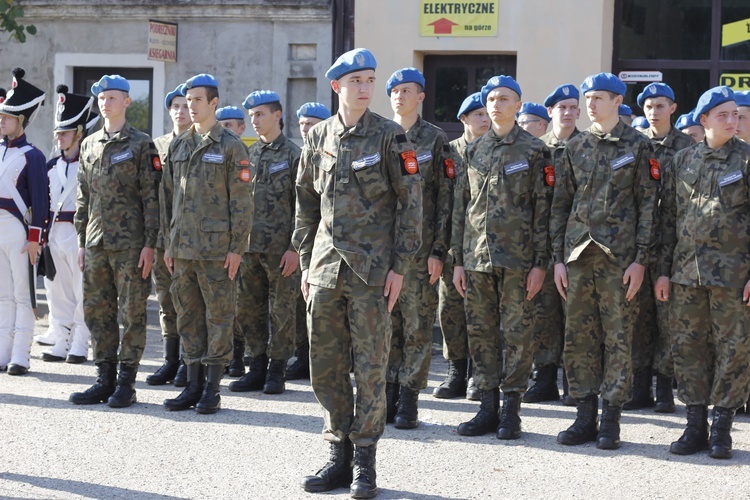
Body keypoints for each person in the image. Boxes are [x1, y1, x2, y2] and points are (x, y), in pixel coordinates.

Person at [295, 48, 422, 498]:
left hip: (372, 272)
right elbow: (306, 205)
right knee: (325, 366)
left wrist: (400, 268)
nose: (366, 88)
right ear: (337, 87)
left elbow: (411, 206)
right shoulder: (319, 137)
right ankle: (337, 456)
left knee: (370, 367)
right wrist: (307, 264)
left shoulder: (390, 137)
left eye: (371, 80)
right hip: (327, 269)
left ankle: (365, 463)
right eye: (357, 81)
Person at [550, 73, 659, 450]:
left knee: (618, 337)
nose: (591, 104)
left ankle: (611, 418)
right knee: (578, 337)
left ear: (617, 101)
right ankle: (584, 415)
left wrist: (641, 259)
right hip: (578, 256)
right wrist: (558, 259)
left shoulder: (639, 146)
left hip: (620, 258)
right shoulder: (575, 146)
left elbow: (648, 206)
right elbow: (560, 205)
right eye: (588, 98)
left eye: (598, 98)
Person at [451, 75, 553, 440]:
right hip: (476, 259)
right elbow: (460, 208)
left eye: (504, 98)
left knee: (518, 334)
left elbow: (545, 210)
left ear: (518, 104)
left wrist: (540, 263)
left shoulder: (535, 150)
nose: (496, 104)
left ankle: (512, 410)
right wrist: (458, 260)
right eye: (491, 98)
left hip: (519, 260)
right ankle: (487, 407)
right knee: (481, 335)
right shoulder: (472, 150)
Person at [655, 86, 750, 459]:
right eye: (723, 115)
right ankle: (695, 425)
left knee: (734, 349)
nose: (732, 120)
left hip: (733, 277)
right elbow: (667, 221)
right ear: (704, 120)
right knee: (687, 348)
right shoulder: (682, 161)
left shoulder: (746, 159)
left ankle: (722, 428)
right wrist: (663, 272)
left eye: (736, 115)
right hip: (685, 275)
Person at [160, 73, 253, 414]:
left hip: (216, 251)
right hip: (182, 249)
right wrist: (168, 244)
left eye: (197, 100)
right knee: (187, 316)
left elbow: (242, 202)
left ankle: (212, 389)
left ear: (214, 102)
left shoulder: (231, 146)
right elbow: (167, 199)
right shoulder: (179, 144)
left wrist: (236, 249)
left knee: (218, 317)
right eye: (187, 101)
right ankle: (193, 384)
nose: (190, 107)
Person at [70, 75, 160, 407]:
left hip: (131, 245)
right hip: (96, 242)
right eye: (102, 98)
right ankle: (103, 378)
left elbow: (152, 197)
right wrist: (81, 241)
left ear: (127, 102)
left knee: (132, 313)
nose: (106, 104)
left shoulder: (141, 144)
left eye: (112, 98)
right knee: (97, 312)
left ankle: (126, 383)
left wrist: (151, 243)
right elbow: (84, 197)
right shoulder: (89, 144)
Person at [383, 67, 451, 429]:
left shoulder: (435, 139)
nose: (399, 96)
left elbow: (444, 199)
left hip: (421, 251)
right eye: (394, 90)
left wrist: (439, 250)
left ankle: (409, 398)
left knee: (418, 327)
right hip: (383, 251)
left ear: (421, 96)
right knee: (386, 327)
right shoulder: (380, 135)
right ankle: (389, 394)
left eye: (407, 90)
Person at [627, 82, 695, 413]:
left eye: (660, 105)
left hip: (673, 244)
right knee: (638, 317)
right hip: (638, 245)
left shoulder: (687, 147)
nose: (654, 112)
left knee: (669, 318)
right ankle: (640, 386)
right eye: (649, 106)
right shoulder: (635, 146)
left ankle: (665, 387)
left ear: (673, 108)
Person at [228, 90, 301, 395]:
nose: (254, 121)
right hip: (249, 248)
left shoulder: (294, 155)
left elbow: (305, 205)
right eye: (252, 116)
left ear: (277, 116)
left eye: (260, 114)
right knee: (249, 309)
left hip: (281, 249)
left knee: (282, 312)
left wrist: (295, 248)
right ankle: (255, 366)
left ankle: (277, 370)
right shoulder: (249, 154)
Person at [524, 83, 581, 406]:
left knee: (574, 314)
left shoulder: (586, 146)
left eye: (574, 107)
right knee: (543, 314)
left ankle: (574, 382)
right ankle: (544, 379)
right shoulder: (536, 149)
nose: (569, 113)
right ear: (550, 112)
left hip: (574, 245)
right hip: (540, 243)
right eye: (563, 107)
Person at [433, 92, 489, 401]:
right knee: (450, 310)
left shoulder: (494, 149)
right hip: (450, 244)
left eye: (486, 113)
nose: (484, 118)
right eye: (477, 114)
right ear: (463, 119)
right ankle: (456, 370)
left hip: (482, 245)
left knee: (480, 313)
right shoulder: (448, 153)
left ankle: (478, 375)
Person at [39, 85, 97, 365]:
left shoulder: (89, 164)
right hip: (54, 232)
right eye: (57, 133)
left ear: (80, 133)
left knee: (81, 287)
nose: (59, 137)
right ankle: (60, 338)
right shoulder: (50, 166)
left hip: (78, 231)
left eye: (65, 132)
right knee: (56, 288)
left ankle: (80, 340)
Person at [0, 67, 48, 375]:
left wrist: (35, 240)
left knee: (22, 295)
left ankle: (20, 354)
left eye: (7, 117)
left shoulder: (34, 155)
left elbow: (41, 204)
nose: (1, 120)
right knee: (2, 295)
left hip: (19, 232)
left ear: (21, 120)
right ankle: (3, 352)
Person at [147, 83, 190, 387]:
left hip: (190, 240)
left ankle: (190, 361)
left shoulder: (201, 143)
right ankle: (170, 360)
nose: (180, 111)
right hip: (162, 238)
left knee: (189, 301)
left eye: (185, 105)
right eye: (174, 106)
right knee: (166, 299)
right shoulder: (157, 145)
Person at [287, 101, 331, 381]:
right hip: (301, 243)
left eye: (311, 123)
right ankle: (303, 355)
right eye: (302, 124)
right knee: (298, 305)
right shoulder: (299, 154)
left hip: (327, 246)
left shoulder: (327, 153)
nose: (305, 129)